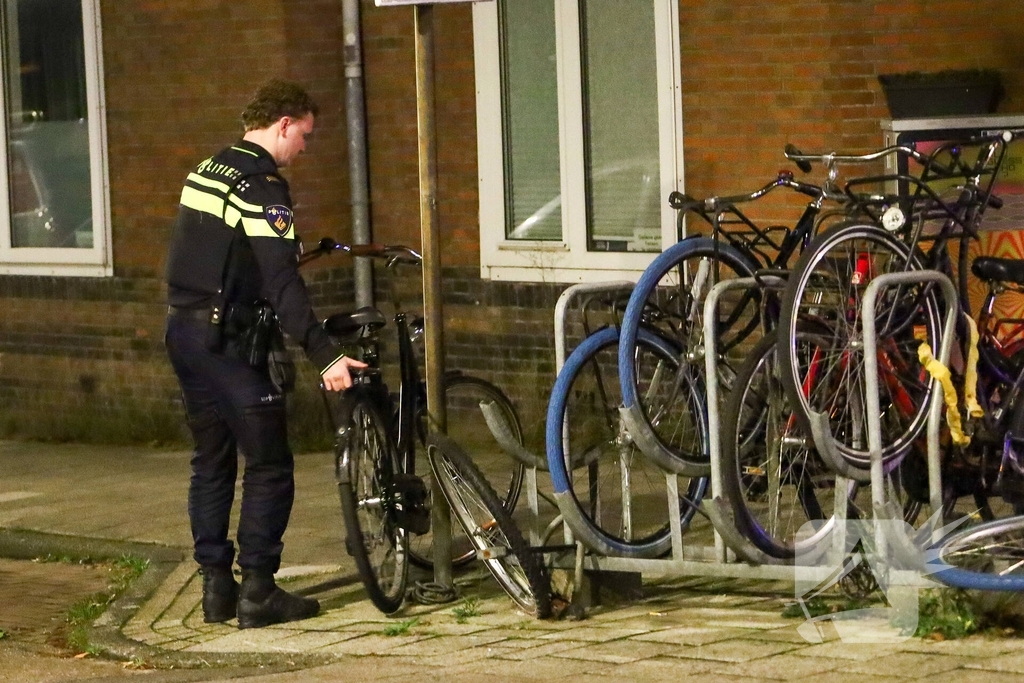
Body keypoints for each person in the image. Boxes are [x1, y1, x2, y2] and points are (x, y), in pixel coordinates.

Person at [164, 79, 365, 629]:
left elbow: (216, 256)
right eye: (304, 134)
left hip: (183, 332)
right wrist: (326, 355)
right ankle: (258, 590)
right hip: (229, 344)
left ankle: (215, 588)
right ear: (283, 124)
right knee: (270, 464)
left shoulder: (208, 170)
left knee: (211, 462)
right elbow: (281, 282)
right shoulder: (261, 187)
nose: (305, 147)